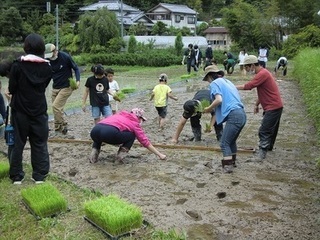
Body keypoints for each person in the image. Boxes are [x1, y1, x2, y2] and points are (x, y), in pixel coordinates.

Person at [8, 33, 52, 184]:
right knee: (39, 143)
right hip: (39, 110)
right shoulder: (47, 67)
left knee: (17, 143)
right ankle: (39, 176)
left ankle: (16, 176)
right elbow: (43, 86)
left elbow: (12, 88)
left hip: (20, 111)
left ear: (26, 47)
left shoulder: (17, 65)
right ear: (41, 47)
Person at [237, 55, 283, 160]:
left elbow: (248, 86)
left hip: (273, 107)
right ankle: (268, 148)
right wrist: (257, 104)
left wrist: (232, 87)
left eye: (247, 67)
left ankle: (262, 153)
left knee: (264, 130)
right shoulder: (264, 73)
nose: (246, 70)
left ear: (252, 65)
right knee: (272, 130)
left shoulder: (262, 74)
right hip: (276, 106)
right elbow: (263, 91)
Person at [202, 65, 246, 173]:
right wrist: (210, 126)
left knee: (224, 143)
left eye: (207, 79)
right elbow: (217, 112)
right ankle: (232, 163)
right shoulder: (228, 82)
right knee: (231, 142)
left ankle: (227, 168)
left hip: (234, 115)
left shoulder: (214, 83)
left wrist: (208, 108)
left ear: (209, 76)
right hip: (242, 114)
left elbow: (219, 100)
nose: (208, 82)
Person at [89, 108, 167, 164]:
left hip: (95, 131)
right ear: (139, 118)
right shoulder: (134, 123)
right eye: (142, 120)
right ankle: (119, 158)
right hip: (110, 133)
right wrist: (160, 154)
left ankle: (93, 157)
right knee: (132, 135)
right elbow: (145, 142)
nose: (142, 122)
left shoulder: (118, 115)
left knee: (98, 137)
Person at [45, 43, 81, 135]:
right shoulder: (47, 60)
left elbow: (76, 68)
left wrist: (78, 81)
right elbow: (48, 75)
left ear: (55, 51)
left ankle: (61, 125)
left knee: (56, 106)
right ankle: (60, 127)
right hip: (55, 86)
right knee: (57, 109)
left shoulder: (65, 57)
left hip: (67, 86)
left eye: (52, 53)